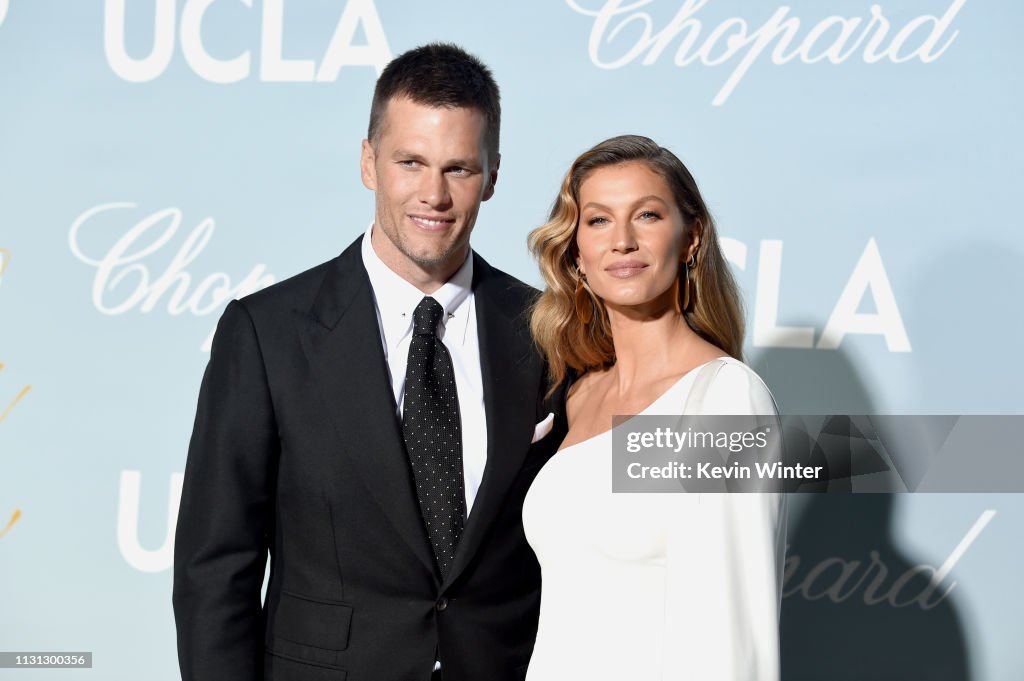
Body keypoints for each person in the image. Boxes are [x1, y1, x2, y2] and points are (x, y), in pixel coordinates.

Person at [173, 43, 564, 681]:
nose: (433, 194)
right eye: (410, 162)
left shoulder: (549, 333)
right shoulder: (268, 333)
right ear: (368, 162)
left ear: (492, 177)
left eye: (459, 168)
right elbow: (216, 567)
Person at [522, 135, 787, 680]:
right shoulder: (573, 394)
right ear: (576, 254)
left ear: (692, 239)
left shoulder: (723, 400)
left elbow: (734, 641)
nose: (622, 241)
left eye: (646, 215)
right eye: (597, 221)